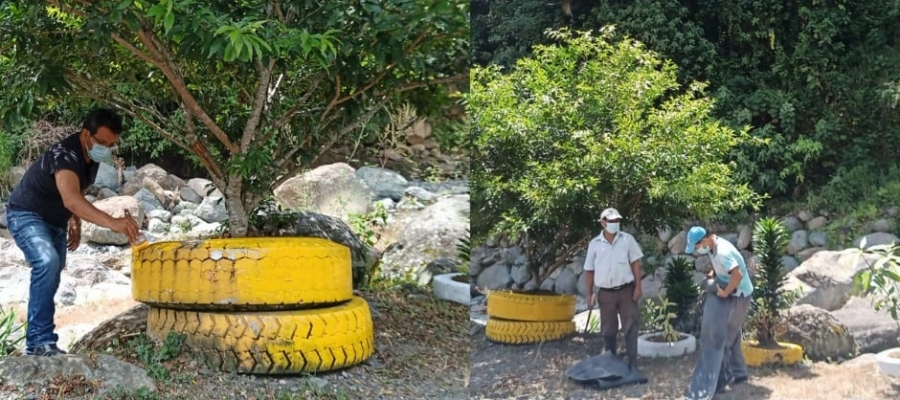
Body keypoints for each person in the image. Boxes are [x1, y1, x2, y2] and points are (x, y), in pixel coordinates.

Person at [6, 108, 140, 357]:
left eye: (111, 145)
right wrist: (113, 222)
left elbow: (76, 192)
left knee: (52, 272)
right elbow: (71, 198)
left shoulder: (91, 156)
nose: (106, 149)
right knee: (47, 261)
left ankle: (43, 340)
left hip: (55, 221)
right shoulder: (65, 155)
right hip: (26, 214)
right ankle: (38, 343)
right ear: (86, 134)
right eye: (102, 142)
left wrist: (74, 221)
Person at [684, 226, 754, 400]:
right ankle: (739, 375)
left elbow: (737, 274)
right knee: (733, 334)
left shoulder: (722, 251)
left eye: (697, 246)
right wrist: (712, 273)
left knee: (725, 338)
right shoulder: (713, 246)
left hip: (740, 294)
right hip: (730, 287)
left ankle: (721, 381)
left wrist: (725, 292)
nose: (697, 250)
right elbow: (721, 267)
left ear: (706, 239)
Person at [583, 207, 645, 371]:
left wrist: (638, 286)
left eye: (617, 221)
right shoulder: (594, 245)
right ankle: (611, 364)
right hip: (606, 293)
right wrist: (589, 294)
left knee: (631, 326)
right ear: (603, 223)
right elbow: (589, 270)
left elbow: (635, 263)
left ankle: (633, 363)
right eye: (611, 221)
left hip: (626, 291)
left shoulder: (627, 240)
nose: (615, 224)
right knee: (608, 330)